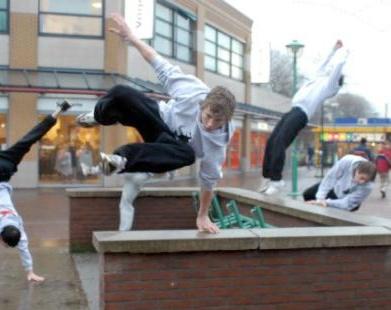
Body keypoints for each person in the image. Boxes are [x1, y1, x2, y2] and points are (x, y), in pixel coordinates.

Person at [75, 13, 236, 234]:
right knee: (121, 92)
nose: (209, 125)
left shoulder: (217, 145)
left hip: (169, 146)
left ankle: (119, 160)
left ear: (226, 121)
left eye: (218, 122)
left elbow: (208, 182)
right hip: (158, 117)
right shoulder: (193, 91)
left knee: (188, 155)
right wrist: (131, 37)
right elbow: (157, 61)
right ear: (202, 105)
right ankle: (98, 116)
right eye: (207, 117)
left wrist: (203, 215)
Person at [260, 40, 348, 195]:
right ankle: (268, 177)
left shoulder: (330, 87)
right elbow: (323, 64)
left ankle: (277, 180)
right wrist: (333, 49)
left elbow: (336, 69)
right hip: (292, 111)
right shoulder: (317, 78)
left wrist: (343, 54)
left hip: (302, 114)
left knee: (281, 141)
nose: (329, 73)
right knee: (272, 140)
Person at [0, 100, 71, 282]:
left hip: (6, 166)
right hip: (5, 167)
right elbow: (23, 247)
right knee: (30, 138)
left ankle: (59, 109)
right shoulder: (17, 226)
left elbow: (22, 244)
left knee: (30, 137)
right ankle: (59, 110)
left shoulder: (16, 223)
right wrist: (30, 272)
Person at [303, 154, 376, 211]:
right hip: (336, 188)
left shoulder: (368, 186)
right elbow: (330, 178)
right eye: (361, 178)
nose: (361, 182)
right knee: (308, 194)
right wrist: (320, 199)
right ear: (357, 170)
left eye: (366, 181)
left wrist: (327, 202)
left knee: (335, 209)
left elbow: (347, 203)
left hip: (349, 200)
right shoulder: (347, 161)